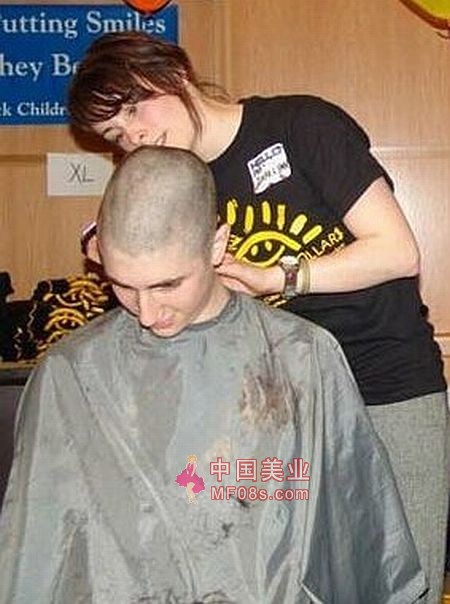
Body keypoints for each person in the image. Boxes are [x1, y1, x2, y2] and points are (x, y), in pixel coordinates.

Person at [68, 31, 449, 603]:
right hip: (280, 412)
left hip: (387, 390)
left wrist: (278, 277)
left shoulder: (300, 126)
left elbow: (398, 252)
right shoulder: (182, 188)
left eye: (134, 107)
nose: (135, 135)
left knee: (406, 581)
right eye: (116, 135)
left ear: (174, 73)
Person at [0, 147, 427, 603]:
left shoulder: (301, 356)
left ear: (217, 245)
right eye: (122, 285)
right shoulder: (70, 372)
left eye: (167, 284)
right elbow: (36, 552)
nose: (147, 313)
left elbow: (354, 534)